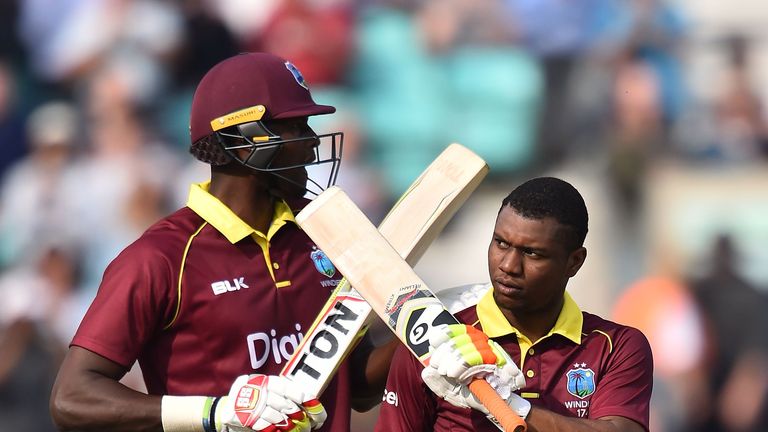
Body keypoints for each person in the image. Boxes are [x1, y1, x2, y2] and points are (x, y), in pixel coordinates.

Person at [50, 52, 396, 432]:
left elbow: (358, 388)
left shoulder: (321, 234)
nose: (313, 142)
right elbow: (72, 398)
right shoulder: (160, 259)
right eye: (296, 127)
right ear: (246, 141)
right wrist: (215, 413)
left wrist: (440, 327)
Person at [376, 177, 653, 431]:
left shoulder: (616, 347)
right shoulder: (436, 340)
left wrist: (508, 406)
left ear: (574, 262)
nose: (508, 265)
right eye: (501, 243)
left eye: (532, 253)